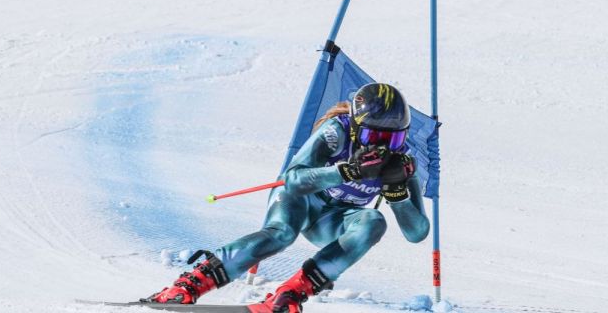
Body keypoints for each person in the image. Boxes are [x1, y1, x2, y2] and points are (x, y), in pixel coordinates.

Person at [143, 82, 430, 313]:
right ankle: (187, 286)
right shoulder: (337, 133)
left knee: (373, 220)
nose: (382, 147)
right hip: (301, 200)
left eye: (392, 139)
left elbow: (417, 233)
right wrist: (347, 171)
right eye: (373, 136)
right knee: (281, 234)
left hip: (333, 219)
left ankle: (290, 294)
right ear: (355, 127)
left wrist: (397, 194)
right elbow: (293, 178)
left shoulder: (400, 162)